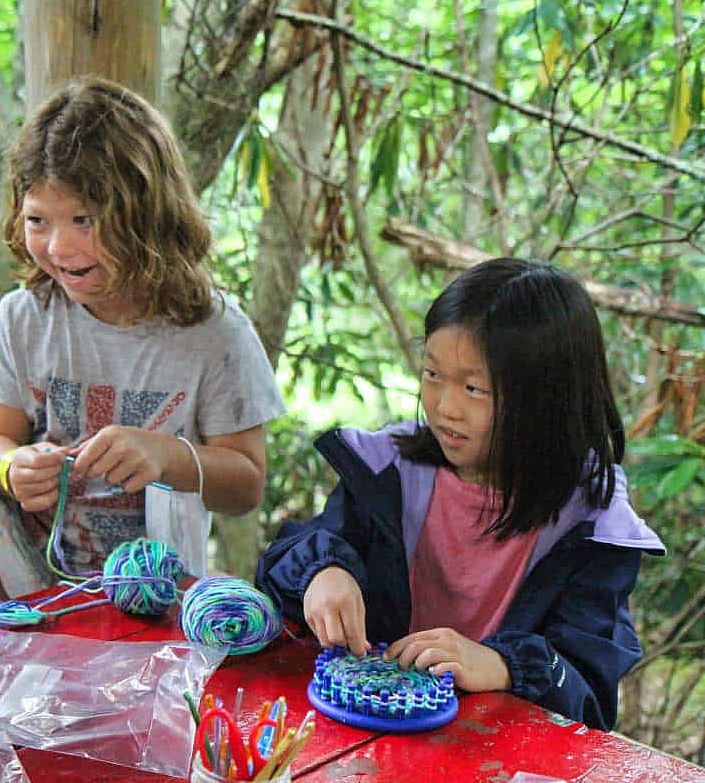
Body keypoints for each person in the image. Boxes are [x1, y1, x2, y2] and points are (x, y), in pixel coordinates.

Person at [0, 76, 285, 613]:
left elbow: (246, 486)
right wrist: (13, 469)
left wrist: (167, 456)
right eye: (38, 220)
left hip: (150, 582)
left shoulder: (215, 333)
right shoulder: (23, 317)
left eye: (84, 220)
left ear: (145, 214)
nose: (59, 246)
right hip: (26, 567)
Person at [255, 257, 665, 731]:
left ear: (545, 401)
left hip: (493, 756)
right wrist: (322, 573)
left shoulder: (593, 525)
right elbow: (286, 561)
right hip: (359, 737)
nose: (445, 408)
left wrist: (504, 666)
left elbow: (589, 693)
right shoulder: (391, 471)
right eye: (432, 375)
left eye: (474, 388)